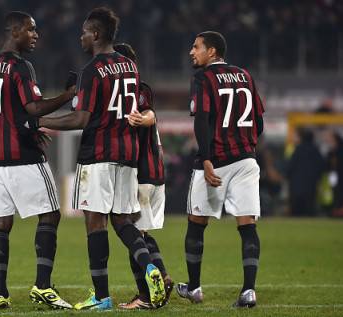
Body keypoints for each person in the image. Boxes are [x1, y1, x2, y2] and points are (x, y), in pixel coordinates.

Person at [38, 7, 166, 310]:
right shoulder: (130, 67)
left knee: (95, 224)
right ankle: (150, 267)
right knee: (122, 220)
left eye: (84, 31)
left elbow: (81, 118)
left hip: (98, 153)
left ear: (95, 34)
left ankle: (102, 297)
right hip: (127, 155)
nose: (81, 36)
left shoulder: (92, 71)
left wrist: (43, 122)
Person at [0, 11, 75, 309]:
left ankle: (0, 293)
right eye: (31, 30)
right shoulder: (21, 67)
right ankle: (43, 286)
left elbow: (7, 111)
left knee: (1, 223)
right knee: (52, 214)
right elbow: (32, 108)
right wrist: (68, 95)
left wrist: (29, 128)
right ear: (16, 30)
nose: (36, 35)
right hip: (23, 157)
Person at [176, 31, 265, 308]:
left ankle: (194, 288)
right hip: (246, 160)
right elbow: (259, 122)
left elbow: (201, 120)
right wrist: (246, 146)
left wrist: (205, 158)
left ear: (211, 51)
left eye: (196, 47)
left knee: (196, 222)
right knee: (247, 226)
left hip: (215, 161)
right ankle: (248, 291)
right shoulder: (245, 75)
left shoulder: (203, 78)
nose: (192, 52)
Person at [112, 43, 173, 310]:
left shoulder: (131, 92)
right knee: (142, 235)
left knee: (131, 234)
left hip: (139, 175)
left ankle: (145, 296)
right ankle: (164, 277)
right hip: (156, 173)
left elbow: (148, 114)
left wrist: (145, 119)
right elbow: (151, 114)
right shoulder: (138, 90)